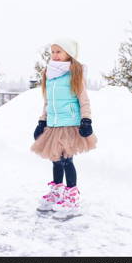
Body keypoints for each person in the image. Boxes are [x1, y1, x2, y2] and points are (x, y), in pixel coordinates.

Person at [30, 38, 98, 218]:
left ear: (69, 54)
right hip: (53, 125)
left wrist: (86, 120)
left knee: (67, 159)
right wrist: (42, 121)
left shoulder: (74, 73)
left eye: (59, 51)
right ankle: (57, 192)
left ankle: (72, 196)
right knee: (55, 159)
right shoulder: (49, 74)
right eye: (52, 52)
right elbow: (48, 102)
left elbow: (84, 100)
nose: (55, 55)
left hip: (69, 124)